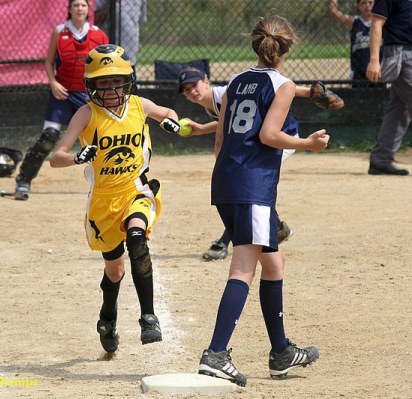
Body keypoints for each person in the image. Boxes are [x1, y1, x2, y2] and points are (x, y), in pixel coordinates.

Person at [196, 16, 329, 387]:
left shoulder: (236, 81)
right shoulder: (282, 84)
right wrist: (307, 144)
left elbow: (221, 138)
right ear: (286, 49)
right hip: (253, 187)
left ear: (256, 46)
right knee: (242, 269)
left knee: (275, 262)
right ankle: (216, 353)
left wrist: (229, 176)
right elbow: (270, 135)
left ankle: (281, 352)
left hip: (225, 180)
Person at [50, 44, 182, 353]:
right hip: (103, 202)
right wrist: (78, 157)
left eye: (116, 80)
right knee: (115, 270)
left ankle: (148, 318)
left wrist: (171, 120)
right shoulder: (86, 113)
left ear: (128, 79)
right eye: (103, 81)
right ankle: (107, 317)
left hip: (137, 189)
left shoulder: (138, 104)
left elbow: (167, 113)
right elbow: (56, 157)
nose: (111, 87)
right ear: (91, 84)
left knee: (137, 238)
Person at [177, 67, 317, 260]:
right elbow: (233, 120)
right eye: (186, 90)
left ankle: (223, 242)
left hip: (282, 138)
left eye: (195, 85)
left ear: (206, 81)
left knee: (247, 188)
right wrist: (201, 129)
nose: (192, 91)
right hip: (263, 141)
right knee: (248, 188)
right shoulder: (211, 104)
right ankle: (276, 227)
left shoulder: (221, 93)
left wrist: (311, 92)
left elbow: (283, 87)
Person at [15, 0, 109, 197]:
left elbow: (106, 67)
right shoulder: (60, 32)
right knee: (48, 137)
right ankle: (24, 179)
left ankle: (108, 182)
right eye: (76, 5)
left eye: (83, 5)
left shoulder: (98, 34)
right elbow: (49, 62)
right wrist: (53, 82)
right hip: (63, 94)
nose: (80, 9)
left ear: (89, 9)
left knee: (101, 139)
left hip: (87, 95)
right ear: (69, 9)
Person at [365, 0, 412, 176]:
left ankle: (381, 160)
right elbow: (376, 24)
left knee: (400, 110)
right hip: (402, 55)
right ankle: (381, 160)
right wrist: (374, 60)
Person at [329, 0, 385, 88]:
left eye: (370, 2)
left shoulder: (382, 22)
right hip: (358, 71)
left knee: (380, 99)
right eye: (363, 3)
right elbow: (334, 12)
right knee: (357, 99)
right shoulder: (355, 22)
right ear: (358, 6)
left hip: (377, 71)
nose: (367, 5)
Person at [94, 0, 146, 76]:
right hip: (106, 51)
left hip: (129, 50)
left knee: (128, 81)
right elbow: (94, 20)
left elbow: (140, 20)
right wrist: (110, 4)